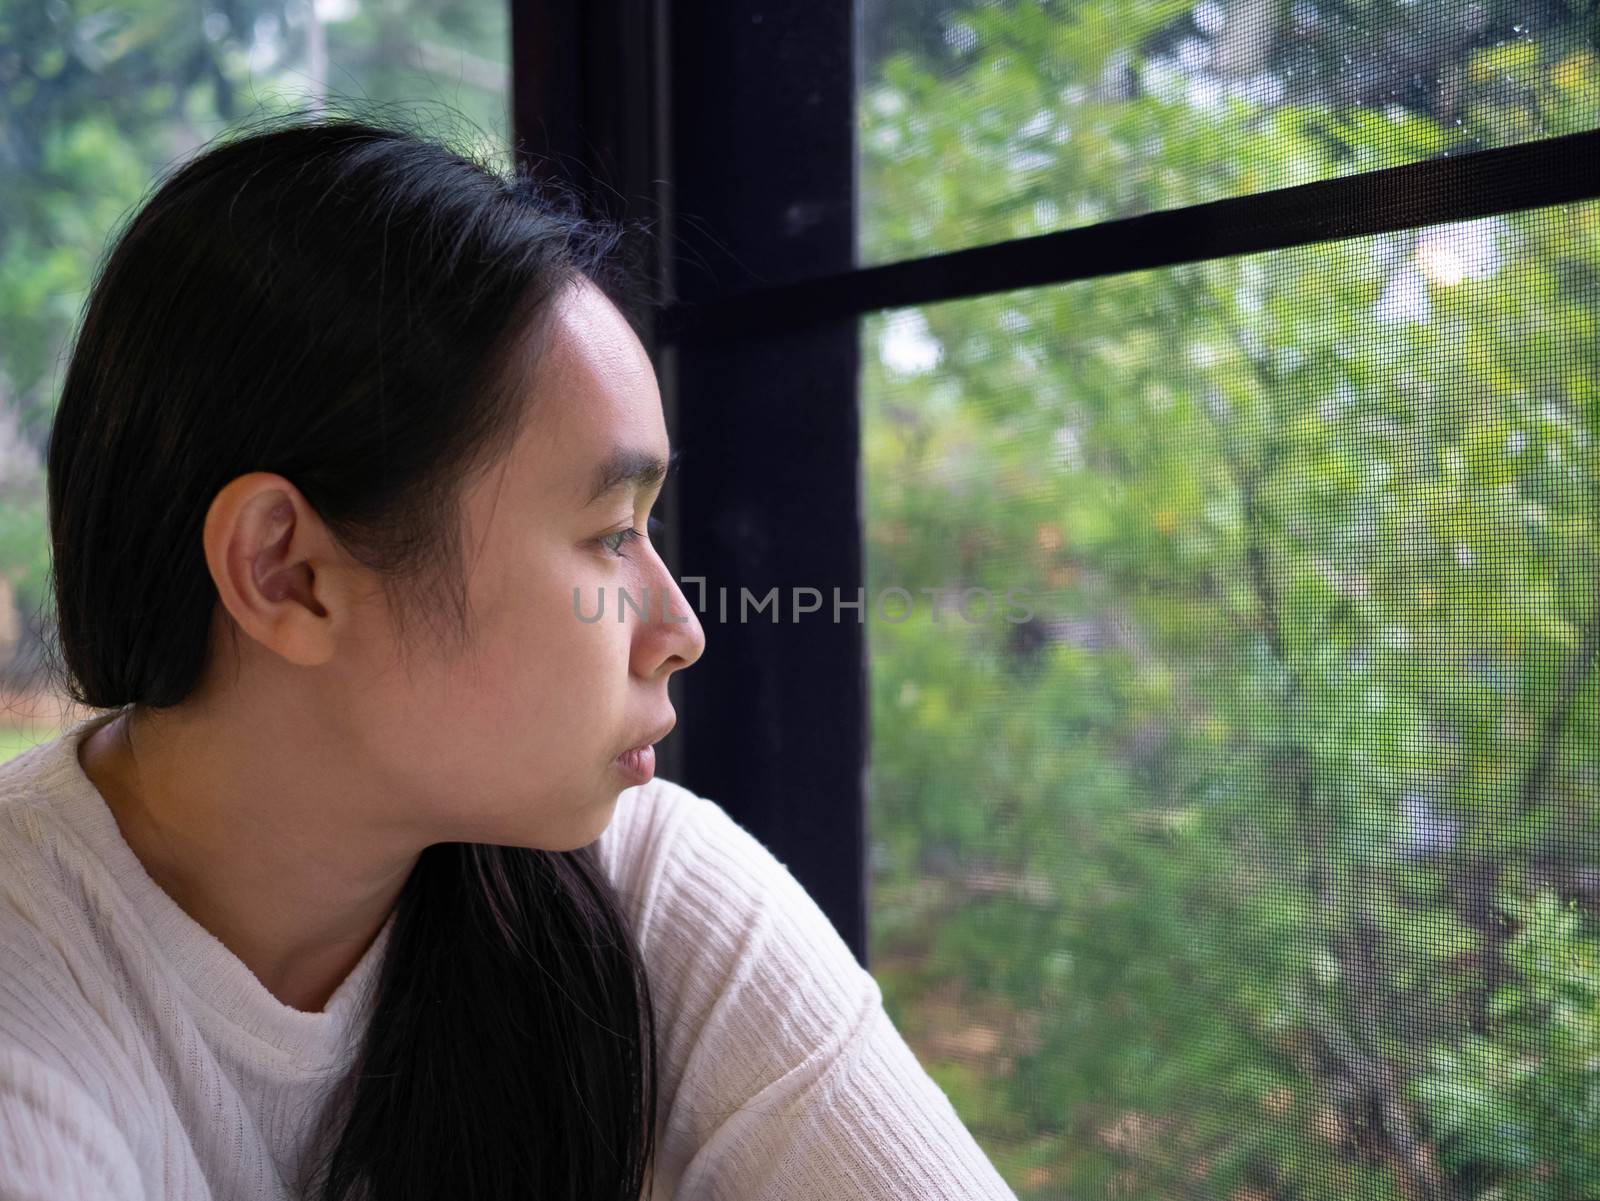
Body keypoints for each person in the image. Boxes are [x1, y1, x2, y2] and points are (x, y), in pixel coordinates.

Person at [0, 114, 1020, 1201]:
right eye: (610, 534)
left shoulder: (640, 886)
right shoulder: (33, 1001)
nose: (681, 628)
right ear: (285, 572)